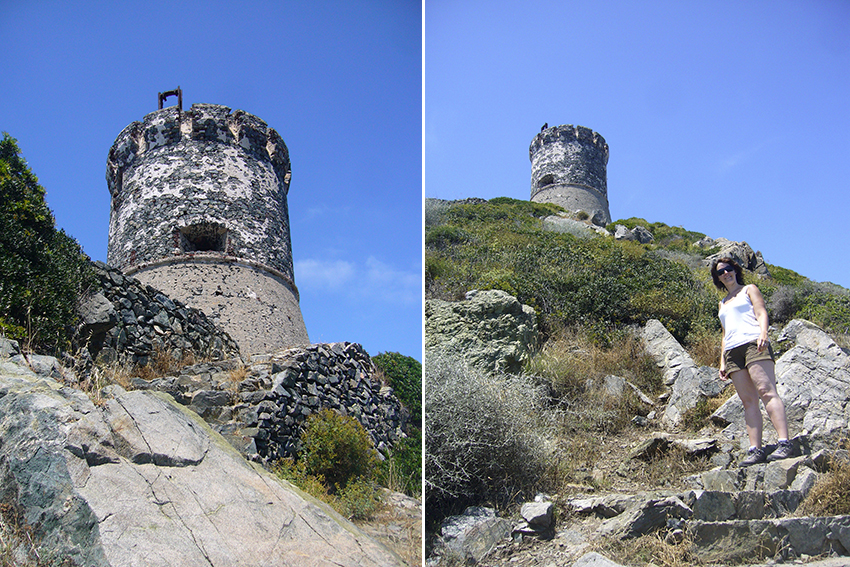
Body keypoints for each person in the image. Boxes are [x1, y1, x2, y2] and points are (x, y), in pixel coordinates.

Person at [712, 257, 793, 466]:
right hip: (732, 351)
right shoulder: (722, 303)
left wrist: (764, 332)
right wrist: (722, 362)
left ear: (736, 270)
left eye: (728, 269)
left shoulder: (749, 289)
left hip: (753, 343)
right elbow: (724, 333)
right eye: (721, 272)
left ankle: (784, 442)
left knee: (766, 391)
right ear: (718, 278)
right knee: (748, 401)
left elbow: (760, 311)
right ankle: (755, 449)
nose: (725, 274)